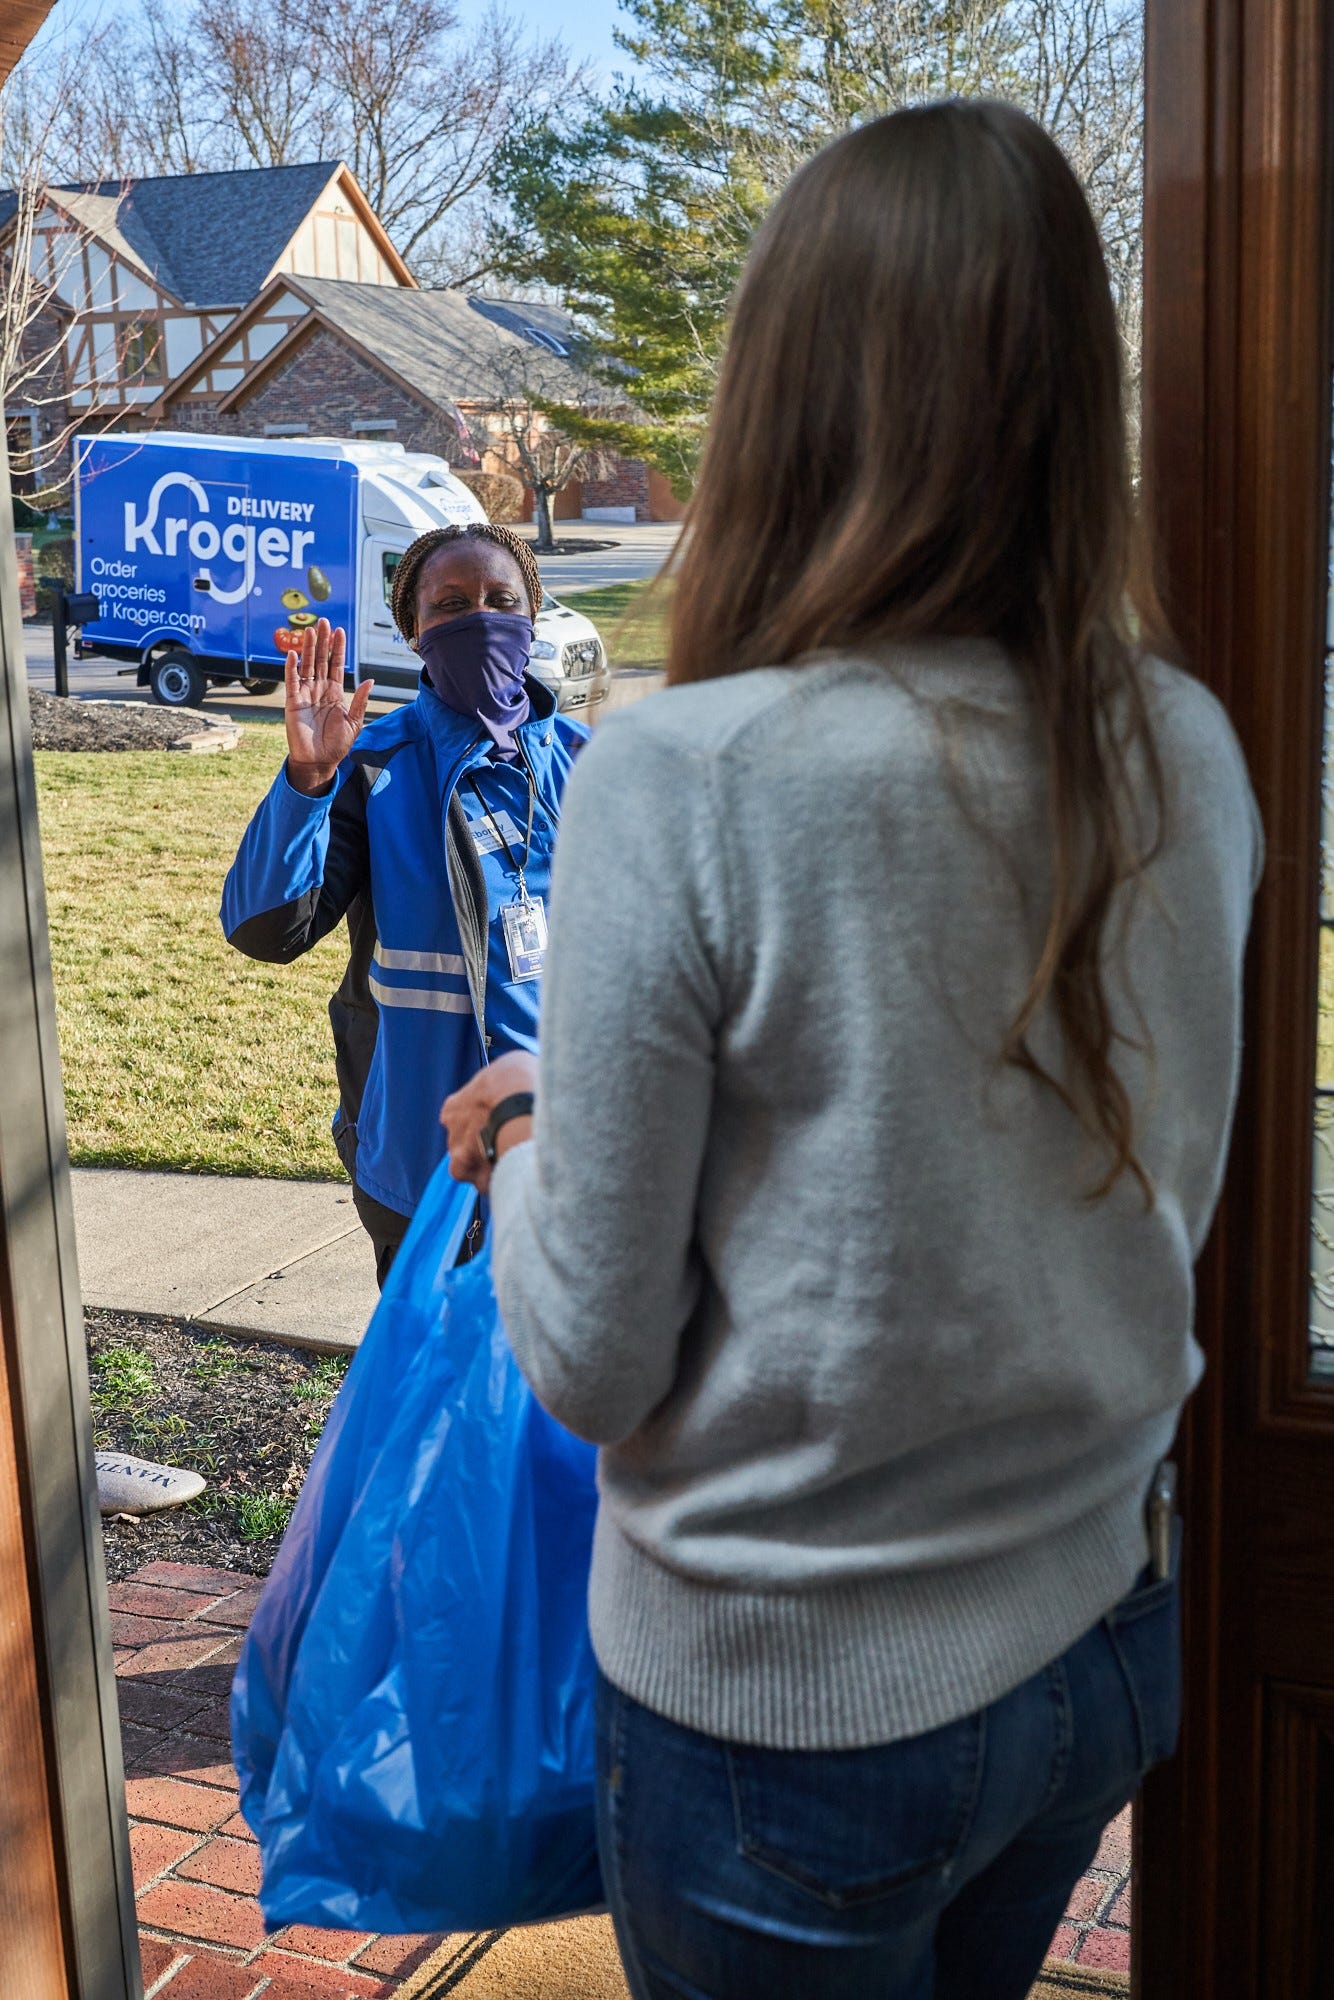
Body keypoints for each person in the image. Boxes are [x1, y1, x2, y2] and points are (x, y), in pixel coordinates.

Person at [441, 100, 1263, 2000]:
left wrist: (528, 1152)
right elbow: (973, 1142)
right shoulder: (1178, 748)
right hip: (1098, 1641)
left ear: (780, 398)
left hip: (788, 1715)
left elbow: (587, 1356)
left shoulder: (684, 776)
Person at [222, 522, 584, 1285]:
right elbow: (266, 931)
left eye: (499, 600)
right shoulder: (373, 768)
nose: (479, 617)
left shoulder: (591, 765)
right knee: (432, 1393)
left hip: (574, 1159)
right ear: (414, 630)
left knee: (563, 1395)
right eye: (451, 605)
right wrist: (308, 781)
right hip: (423, 1163)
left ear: (531, 614)